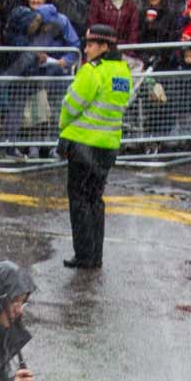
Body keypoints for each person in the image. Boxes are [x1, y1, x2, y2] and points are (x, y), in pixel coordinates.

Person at [57, 22, 130, 269]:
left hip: (83, 144)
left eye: (90, 44)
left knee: (79, 200)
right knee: (95, 200)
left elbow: (71, 105)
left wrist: (63, 125)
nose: (86, 49)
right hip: (108, 145)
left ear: (104, 46)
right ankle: (95, 254)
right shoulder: (122, 71)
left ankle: (84, 255)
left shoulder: (92, 71)